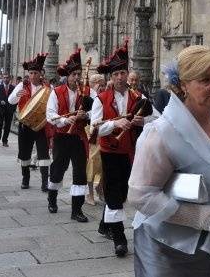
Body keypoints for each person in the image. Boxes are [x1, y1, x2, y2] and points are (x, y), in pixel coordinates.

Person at [128, 45, 210, 277]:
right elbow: (140, 194)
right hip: (167, 248)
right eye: (205, 79)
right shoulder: (160, 132)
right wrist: (200, 216)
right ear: (183, 85)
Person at [91, 40, 159, 257]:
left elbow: (157, 119)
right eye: (116, 74)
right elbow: (95, 128)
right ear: (111, 77)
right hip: (110, 153)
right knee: (113, 194)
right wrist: (115, 124)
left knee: (123, 193)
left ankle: (105, 224)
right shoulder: (101, 99)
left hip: (132, 153)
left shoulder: (140, 98)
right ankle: (119, 239)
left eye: (123, 72)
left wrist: (143, 122)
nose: (120, 77)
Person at [45, 48, 92, 221]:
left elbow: (97, 112)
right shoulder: (56, 92)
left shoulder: (87, 92)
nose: (77, 78)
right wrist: (67, 120)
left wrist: (85, 115)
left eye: (79, 74)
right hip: (62, 136)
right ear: (68, 76)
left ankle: (76, 210)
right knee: (58, 168)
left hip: (79, 137)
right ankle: (52, 198)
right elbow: (50, 115)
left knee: (80, 172)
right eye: (74, 75)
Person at [8, 54, 51, 191]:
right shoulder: (22, 85)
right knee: (24, 153)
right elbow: (10, 101)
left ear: (40, 73)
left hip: (41, 126)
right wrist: (16, 95)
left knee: (43, 153)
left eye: (35, 73)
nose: (32, 76)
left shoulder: (47, 88)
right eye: (31, 73)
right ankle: (25, 178)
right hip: (25, 125)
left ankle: (45, 182)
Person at [86, 73, 106, 206]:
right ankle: (90, 193)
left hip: (104, 131)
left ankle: (100, 189)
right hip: (91, 131)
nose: (102, 87)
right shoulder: (88, 95)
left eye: (104, 84)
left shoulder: (105, 96)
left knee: (104, 162)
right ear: (93, 84)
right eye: (99, 84)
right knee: (93, 162)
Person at [0, 74, 16, 147]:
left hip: (9, 110)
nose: (6, 79)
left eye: (7, 78)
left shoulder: (13, 88)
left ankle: (5, 141)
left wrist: (13, 109)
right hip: (1, 109)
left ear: (10, 78)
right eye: (4, 78)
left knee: (7, 126)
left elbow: (15, 99)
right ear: (2, 78)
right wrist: (0, 101)